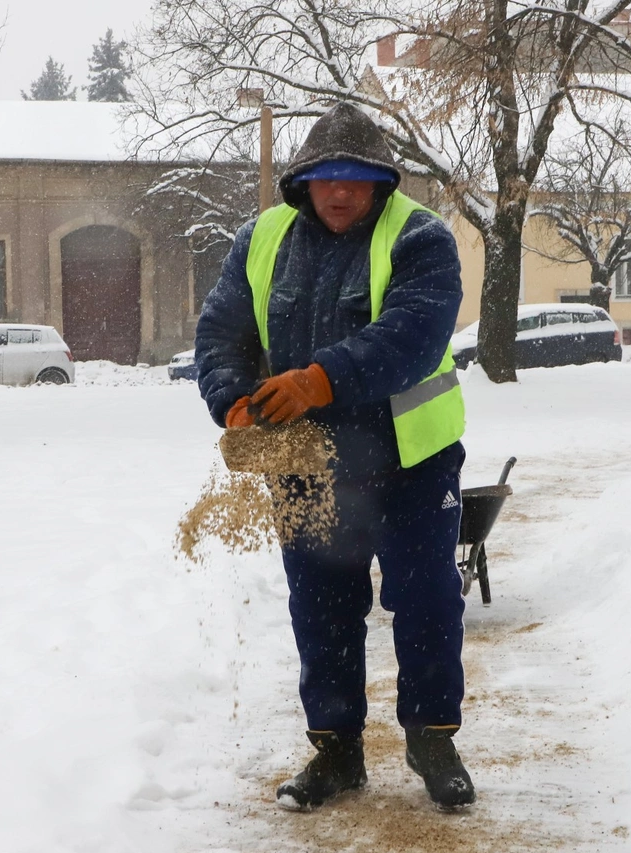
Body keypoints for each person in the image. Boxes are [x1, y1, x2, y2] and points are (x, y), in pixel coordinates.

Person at [195, 102, 473, 811]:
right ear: (303, 182)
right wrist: (231, 399)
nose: (341, 192)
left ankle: (433, 742)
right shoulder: (262, 238)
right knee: (321, 607)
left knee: (426, 601)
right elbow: (222, 331)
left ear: (381, 181)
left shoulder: (421, 237)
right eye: (326, 178)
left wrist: (317, 380)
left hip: (412, 459)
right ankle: (336, 750)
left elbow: (412, 335)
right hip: (309, 465)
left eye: (356, 178)